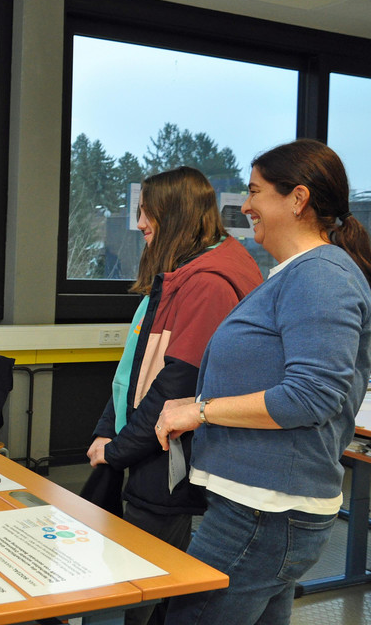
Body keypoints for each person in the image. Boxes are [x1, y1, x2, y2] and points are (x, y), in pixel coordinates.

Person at [157, 139, 371, 625]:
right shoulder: (295, 274)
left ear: (297, 199)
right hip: (259, 507)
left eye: (255, 191)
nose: (246, 205)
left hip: (265, 511)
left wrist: (201, 410)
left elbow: (309, 397)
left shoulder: (321, 277)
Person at [86, 166, 262, 625]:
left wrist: (117, 451)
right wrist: (107, 431)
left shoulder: (207, 284)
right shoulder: (182, 275)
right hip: (150, 451)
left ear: (175, 215)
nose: (140, 223)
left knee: (145, 589)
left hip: (169, 462)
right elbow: (133, 370)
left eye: (147, 213)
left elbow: (176, 387)